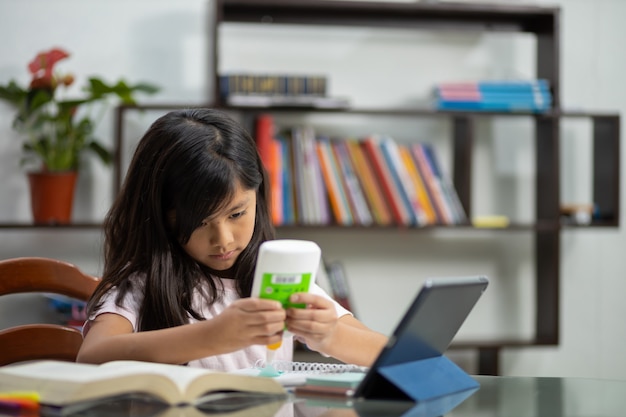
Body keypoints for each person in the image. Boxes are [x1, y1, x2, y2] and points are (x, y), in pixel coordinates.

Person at [77, 108, 387, 371]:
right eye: (200, 222)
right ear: (160, 216)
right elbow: (91, 357)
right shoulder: (139, 284)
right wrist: (211, 337)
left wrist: (329, 335)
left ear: (258, 197)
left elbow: (385, 354)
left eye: (237, 214)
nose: (223, 240)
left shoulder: (274, 278)